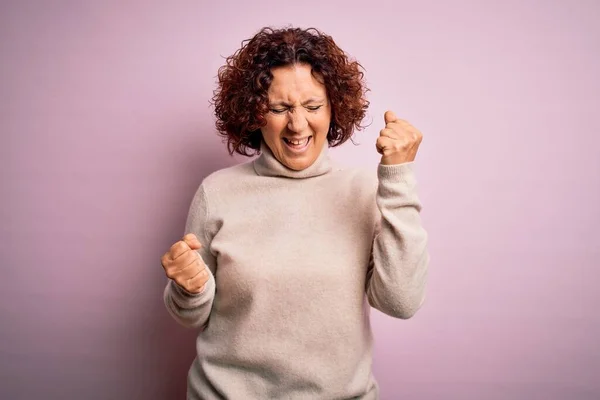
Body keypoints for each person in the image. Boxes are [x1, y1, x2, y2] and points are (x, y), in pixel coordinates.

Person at [161, 26, 429, 400]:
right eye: (279, 108)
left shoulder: (363, 191)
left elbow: (400, 302)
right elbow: (189, 315)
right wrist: (189, 288)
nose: (298, 124)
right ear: (255, 112)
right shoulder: (217, 192)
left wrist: (397, 176)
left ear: (335, 107)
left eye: (313, 106)